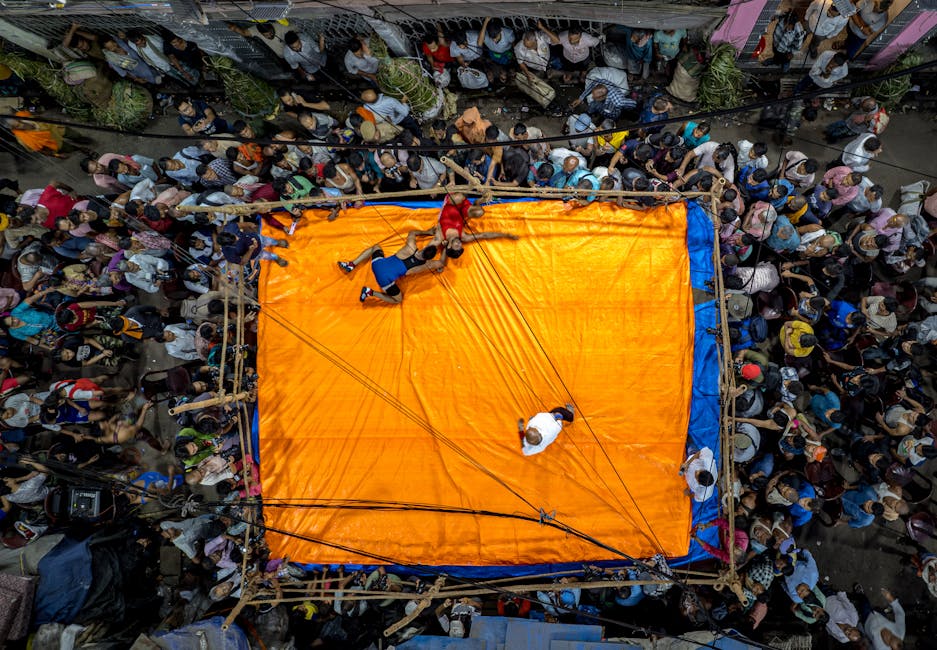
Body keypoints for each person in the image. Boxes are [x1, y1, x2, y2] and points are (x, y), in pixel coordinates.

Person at [337, 229, 443, 304]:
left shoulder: (410, 247)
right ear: (429, 259)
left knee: (376, 247)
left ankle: (352, 264)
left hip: (377, 265)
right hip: (384, 281)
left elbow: (412, 232)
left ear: (423, 248)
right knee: (398, 300)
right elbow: (440, 263)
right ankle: (369, 292)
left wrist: (428, 232)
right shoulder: (426, 265)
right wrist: (446, 249)